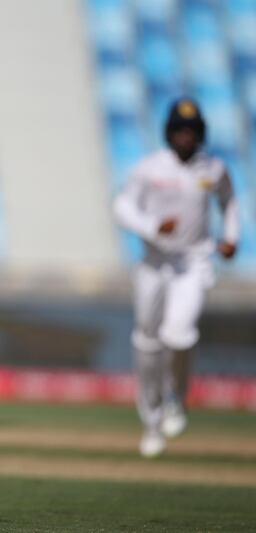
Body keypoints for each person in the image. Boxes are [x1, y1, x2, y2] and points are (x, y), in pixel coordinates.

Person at [113, 98, 239, 458]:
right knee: (147, 342)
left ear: (200, 134)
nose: (186, 137)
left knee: (179, 335)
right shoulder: (150, 168)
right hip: (154, 264)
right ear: (168, 132)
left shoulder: (212, 169)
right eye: (180, 131)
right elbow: (122, 207)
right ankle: (151, 423)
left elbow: (229, 202)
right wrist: (152, 227)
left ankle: (176, 401)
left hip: (194, 263)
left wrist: (231, 237)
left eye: (192, 131)